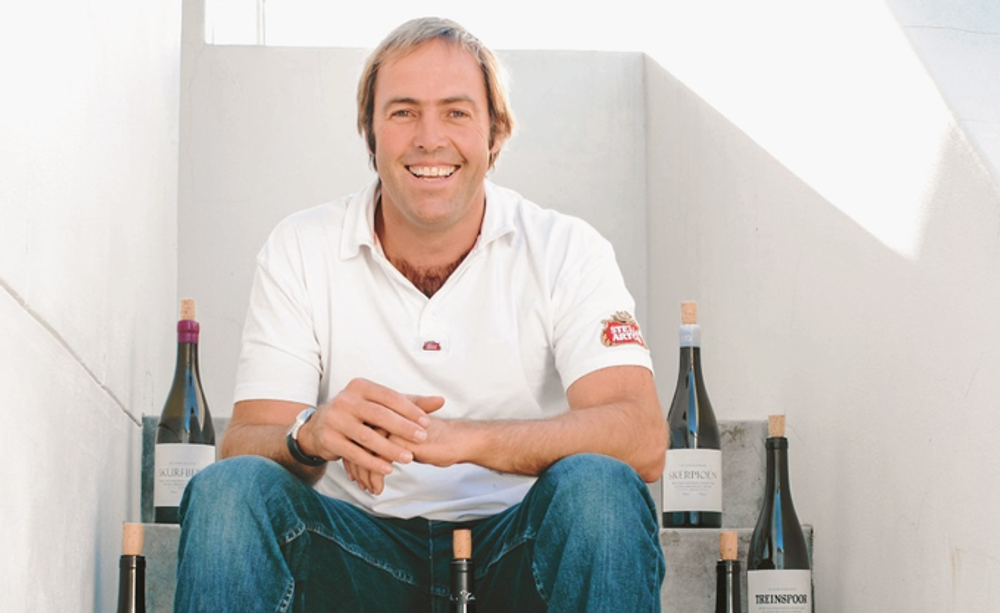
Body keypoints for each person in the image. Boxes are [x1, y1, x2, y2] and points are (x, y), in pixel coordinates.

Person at [174, 16, 666, 613]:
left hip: (518, 546)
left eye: (456, 112)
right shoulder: (300, 246)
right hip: (351, 554)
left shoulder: (567, 248)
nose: (430, 138)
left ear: (496, 133)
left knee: (602, 490)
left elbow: (641, 437)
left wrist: (464, 439)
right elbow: (246, 442)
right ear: (370, 134)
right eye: (403, 112)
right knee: (227, 492)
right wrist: (311, 434)